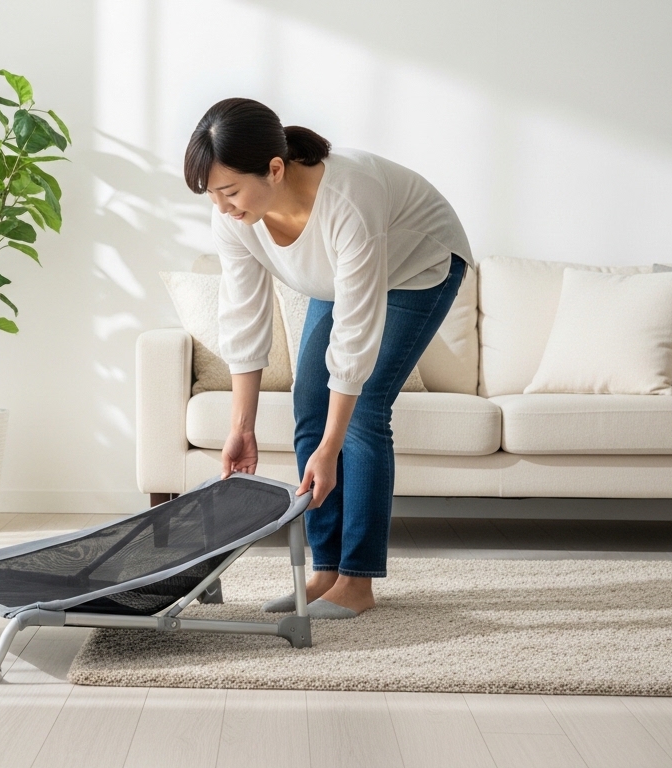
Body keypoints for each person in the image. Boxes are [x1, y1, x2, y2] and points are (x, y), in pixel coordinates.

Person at [184, 97, 471, 619]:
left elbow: (354, 339)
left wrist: (331, 447)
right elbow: (245, 319)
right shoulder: (234, 218)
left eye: (230, 191)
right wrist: (241, 428)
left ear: (275, 169)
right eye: (213, 195)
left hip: (418, 266)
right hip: (339, 278)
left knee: (363, 410)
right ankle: (325, 571)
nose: (222, 208)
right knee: (309, 402)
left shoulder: (349, 197)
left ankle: (357, 581)